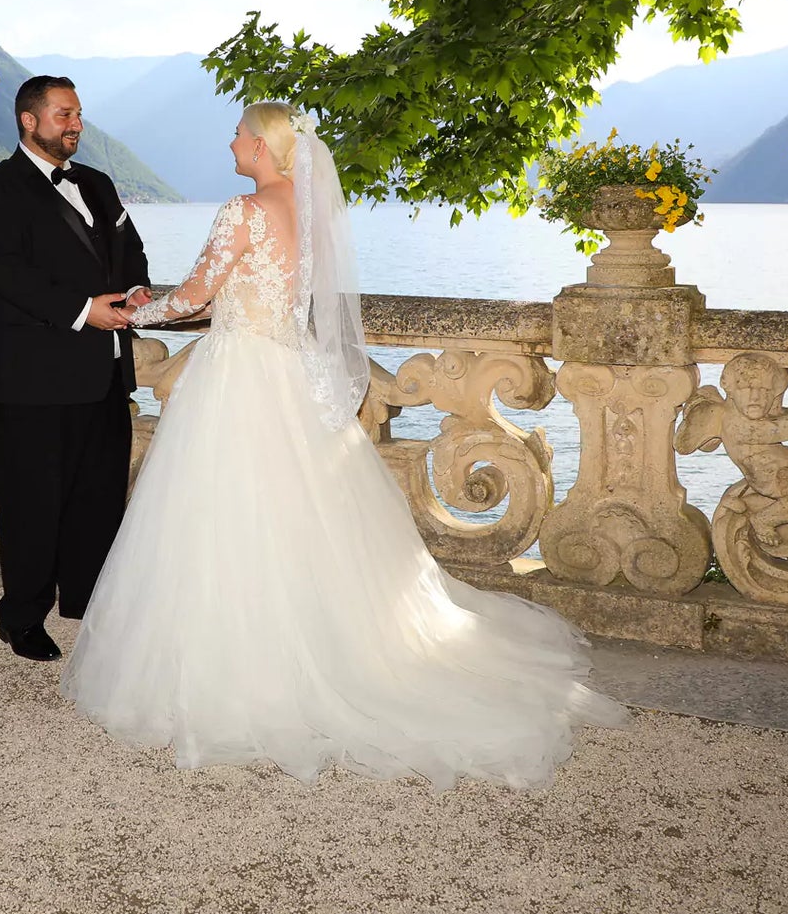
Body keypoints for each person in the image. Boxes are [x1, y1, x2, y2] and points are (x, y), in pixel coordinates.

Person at [62, 102, 626, 789]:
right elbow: (241, 295)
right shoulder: (308, 214)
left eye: (239, 134)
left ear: (263, 146)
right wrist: (160, 301)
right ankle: (321, 646)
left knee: (222, 511)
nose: (231, 142)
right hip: (289, 372)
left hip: (239, 376)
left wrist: (129, 311)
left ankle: (237, 666)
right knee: (299, 513)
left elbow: (197, 297)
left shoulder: (242, 211)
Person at [0, 75, 150, 662]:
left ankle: (88, 601)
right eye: (64, 114)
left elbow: (130, 248)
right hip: (31, 379)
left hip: (104, 372)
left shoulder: (97, 183)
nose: (76, 125)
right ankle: (21, 618)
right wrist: (83, 310)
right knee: (31, 504)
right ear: (29, 120)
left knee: (98, 496)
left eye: (78, 114)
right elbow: (4, 273)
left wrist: (136, 290)